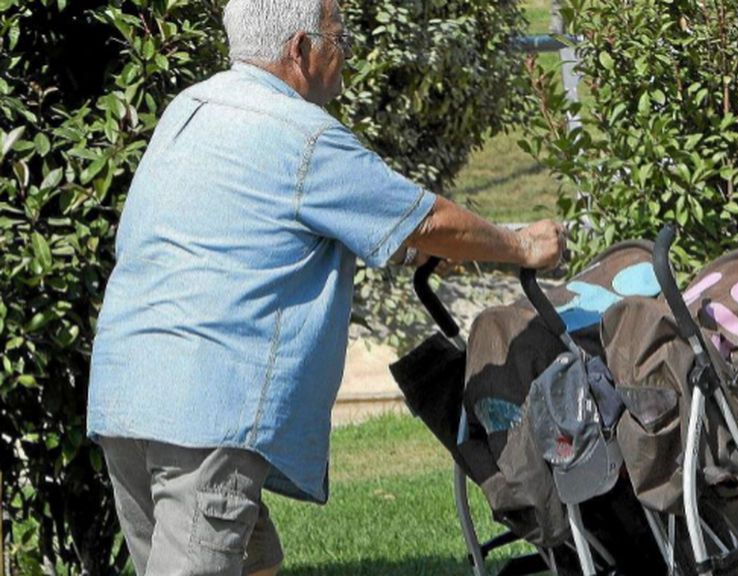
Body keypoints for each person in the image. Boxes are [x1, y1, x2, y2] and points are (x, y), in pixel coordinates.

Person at [84, 1, 564, 574]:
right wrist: (521, 247)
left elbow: (251, 221)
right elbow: (427, 219)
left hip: (126, 396)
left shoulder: (190, 109)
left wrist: (412, 244)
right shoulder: (304, 138)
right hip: (206, 413)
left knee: (254, 562)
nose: (346, 55)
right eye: (338, 38)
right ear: (301, 50)